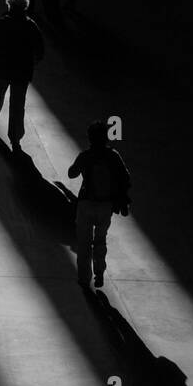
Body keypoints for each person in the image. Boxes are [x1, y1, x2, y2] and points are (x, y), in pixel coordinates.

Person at [67, 119, 130, 288]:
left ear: (90, 138)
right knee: (100, 240)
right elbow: (126, 177)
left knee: (84, 243)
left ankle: (84, 279)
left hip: (86, 203)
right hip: (105, 205)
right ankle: (99, 272)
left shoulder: (85, 156)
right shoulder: (113, 156)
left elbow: (71, 173)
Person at [0, 0, 45, 150]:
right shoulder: (31, 26)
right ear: (25, 8)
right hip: (21, 73)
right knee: (17, 105)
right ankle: (15, 137)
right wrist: (31, 63)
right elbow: (40, 50)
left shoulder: (1, 24)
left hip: (1, 70)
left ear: (9, 6)